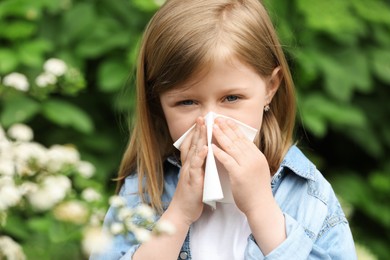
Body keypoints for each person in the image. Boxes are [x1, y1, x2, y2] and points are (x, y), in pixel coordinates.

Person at [91, 0, 357, 259]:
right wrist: (179, 213)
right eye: (187, 102)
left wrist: (261, 208)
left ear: (270, 88)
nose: (211, 121)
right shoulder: (143, 192)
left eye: (231, 98)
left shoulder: (306, 194)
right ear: (158, 104)